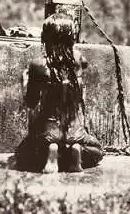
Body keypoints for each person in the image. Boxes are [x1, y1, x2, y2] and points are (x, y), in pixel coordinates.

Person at [14, 12, 103, 173]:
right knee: (97, 152)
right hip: (76, 134)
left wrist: (24, 82)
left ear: (46, 37)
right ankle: (75, 151)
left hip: (48, 133)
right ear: (71, 37)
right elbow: (83, 65)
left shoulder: (39, 65)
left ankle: (52, 150)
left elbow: (31, 102)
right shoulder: (80, 60)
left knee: (21, 154)